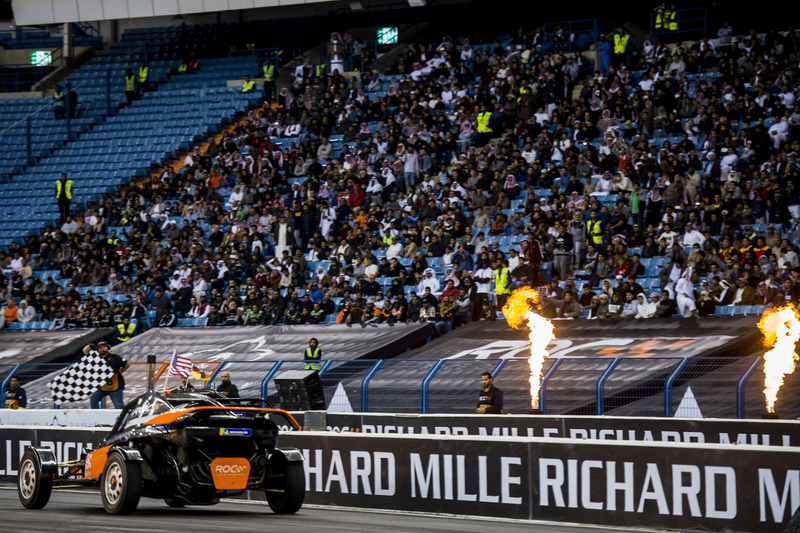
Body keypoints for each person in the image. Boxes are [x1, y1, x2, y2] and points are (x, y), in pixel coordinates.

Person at [89, 340, 130, 409]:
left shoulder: (115, 358)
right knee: (93, 399)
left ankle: (121, 419)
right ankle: (96, 415)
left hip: (116, 387)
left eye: (104, 347)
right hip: (103, 386)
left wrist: (120, 371)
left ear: (108, 347)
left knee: (118, 405)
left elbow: (127, 364)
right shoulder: (97, 359)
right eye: (100, 348)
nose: (102, 349)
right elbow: (85, 351)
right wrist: (90, 346)